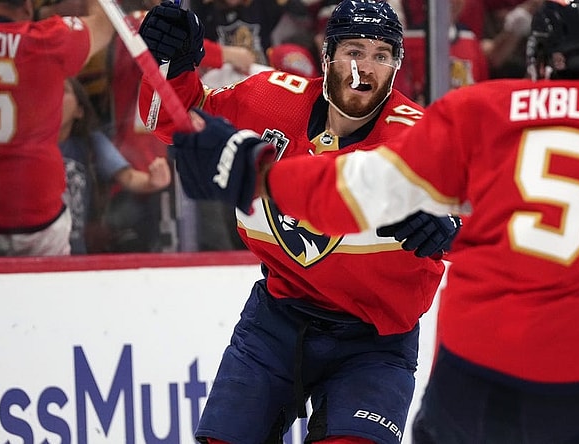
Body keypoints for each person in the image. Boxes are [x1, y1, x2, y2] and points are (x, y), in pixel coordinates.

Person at [170, 0, 579, 442]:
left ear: (538, 63)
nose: (364, 68)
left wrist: (257, 172)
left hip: (472, 382)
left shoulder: (481, 110)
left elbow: (356, 192)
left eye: (380, 54)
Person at [137, 0, 461, 443]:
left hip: (375, 341)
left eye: (381, 55)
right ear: (326, 55)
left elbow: (489, 209)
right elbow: (176, 119)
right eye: (353, 50)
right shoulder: (269, 98)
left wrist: (452, 225)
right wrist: (172, 65)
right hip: (277, 319)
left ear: (396, 66)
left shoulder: (423, 137)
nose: (364, 68)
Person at [0, 0, 114, 256]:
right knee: (48, 293)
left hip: (31, 206)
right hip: (36, 208)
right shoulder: (49, 39)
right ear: (28, 8)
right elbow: (106, 25)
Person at [59, 77, 171, 254]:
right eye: (50, 91)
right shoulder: (27, 145)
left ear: (79, 111)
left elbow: (129, 177)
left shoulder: (90, 143)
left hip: (76, 252)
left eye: (64, 91)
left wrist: (152, 181)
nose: (55, 96)